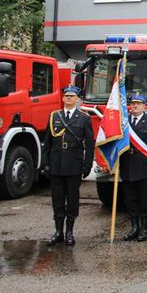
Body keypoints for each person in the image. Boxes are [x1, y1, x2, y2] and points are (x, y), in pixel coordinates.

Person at [43, 85, 94, 246]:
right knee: (57, 200)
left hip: (74, 165)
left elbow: (90, 144)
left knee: (72, 200)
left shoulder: (84, 118)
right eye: (67, 96)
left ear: (77, 99)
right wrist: (45, 163)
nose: (69, 99)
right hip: (56, 165)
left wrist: (87, 166)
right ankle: (58, 231)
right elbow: (47, 143)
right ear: (63, 98)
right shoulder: (54, 117)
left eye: (72, 96)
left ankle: (69, 232)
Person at [119, 92, 147, 242]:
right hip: (127, 165)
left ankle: (143, 228)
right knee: (130, 200)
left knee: (144, 200)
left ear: (144, 106)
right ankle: (134, 227)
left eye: (138, 103)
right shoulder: (123, 122)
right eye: (133, 103)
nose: (135, 105)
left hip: (144, 167)